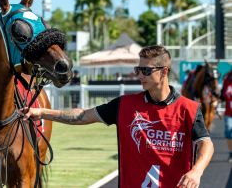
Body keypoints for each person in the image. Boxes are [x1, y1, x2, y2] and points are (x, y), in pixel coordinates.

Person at [22, 45, 214, 188]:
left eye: (146, 71)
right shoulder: (125, 105)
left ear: (164, 72)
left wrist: (197, 171)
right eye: (138, 70)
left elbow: (206, 143)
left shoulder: (189, 109)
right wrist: (42, 113)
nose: (140, 75)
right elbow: (82, 115)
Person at [221, 69, 232, 162]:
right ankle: (231, 153)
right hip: (229, 112)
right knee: (228, 131)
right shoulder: (227, 78)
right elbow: (222, 94)